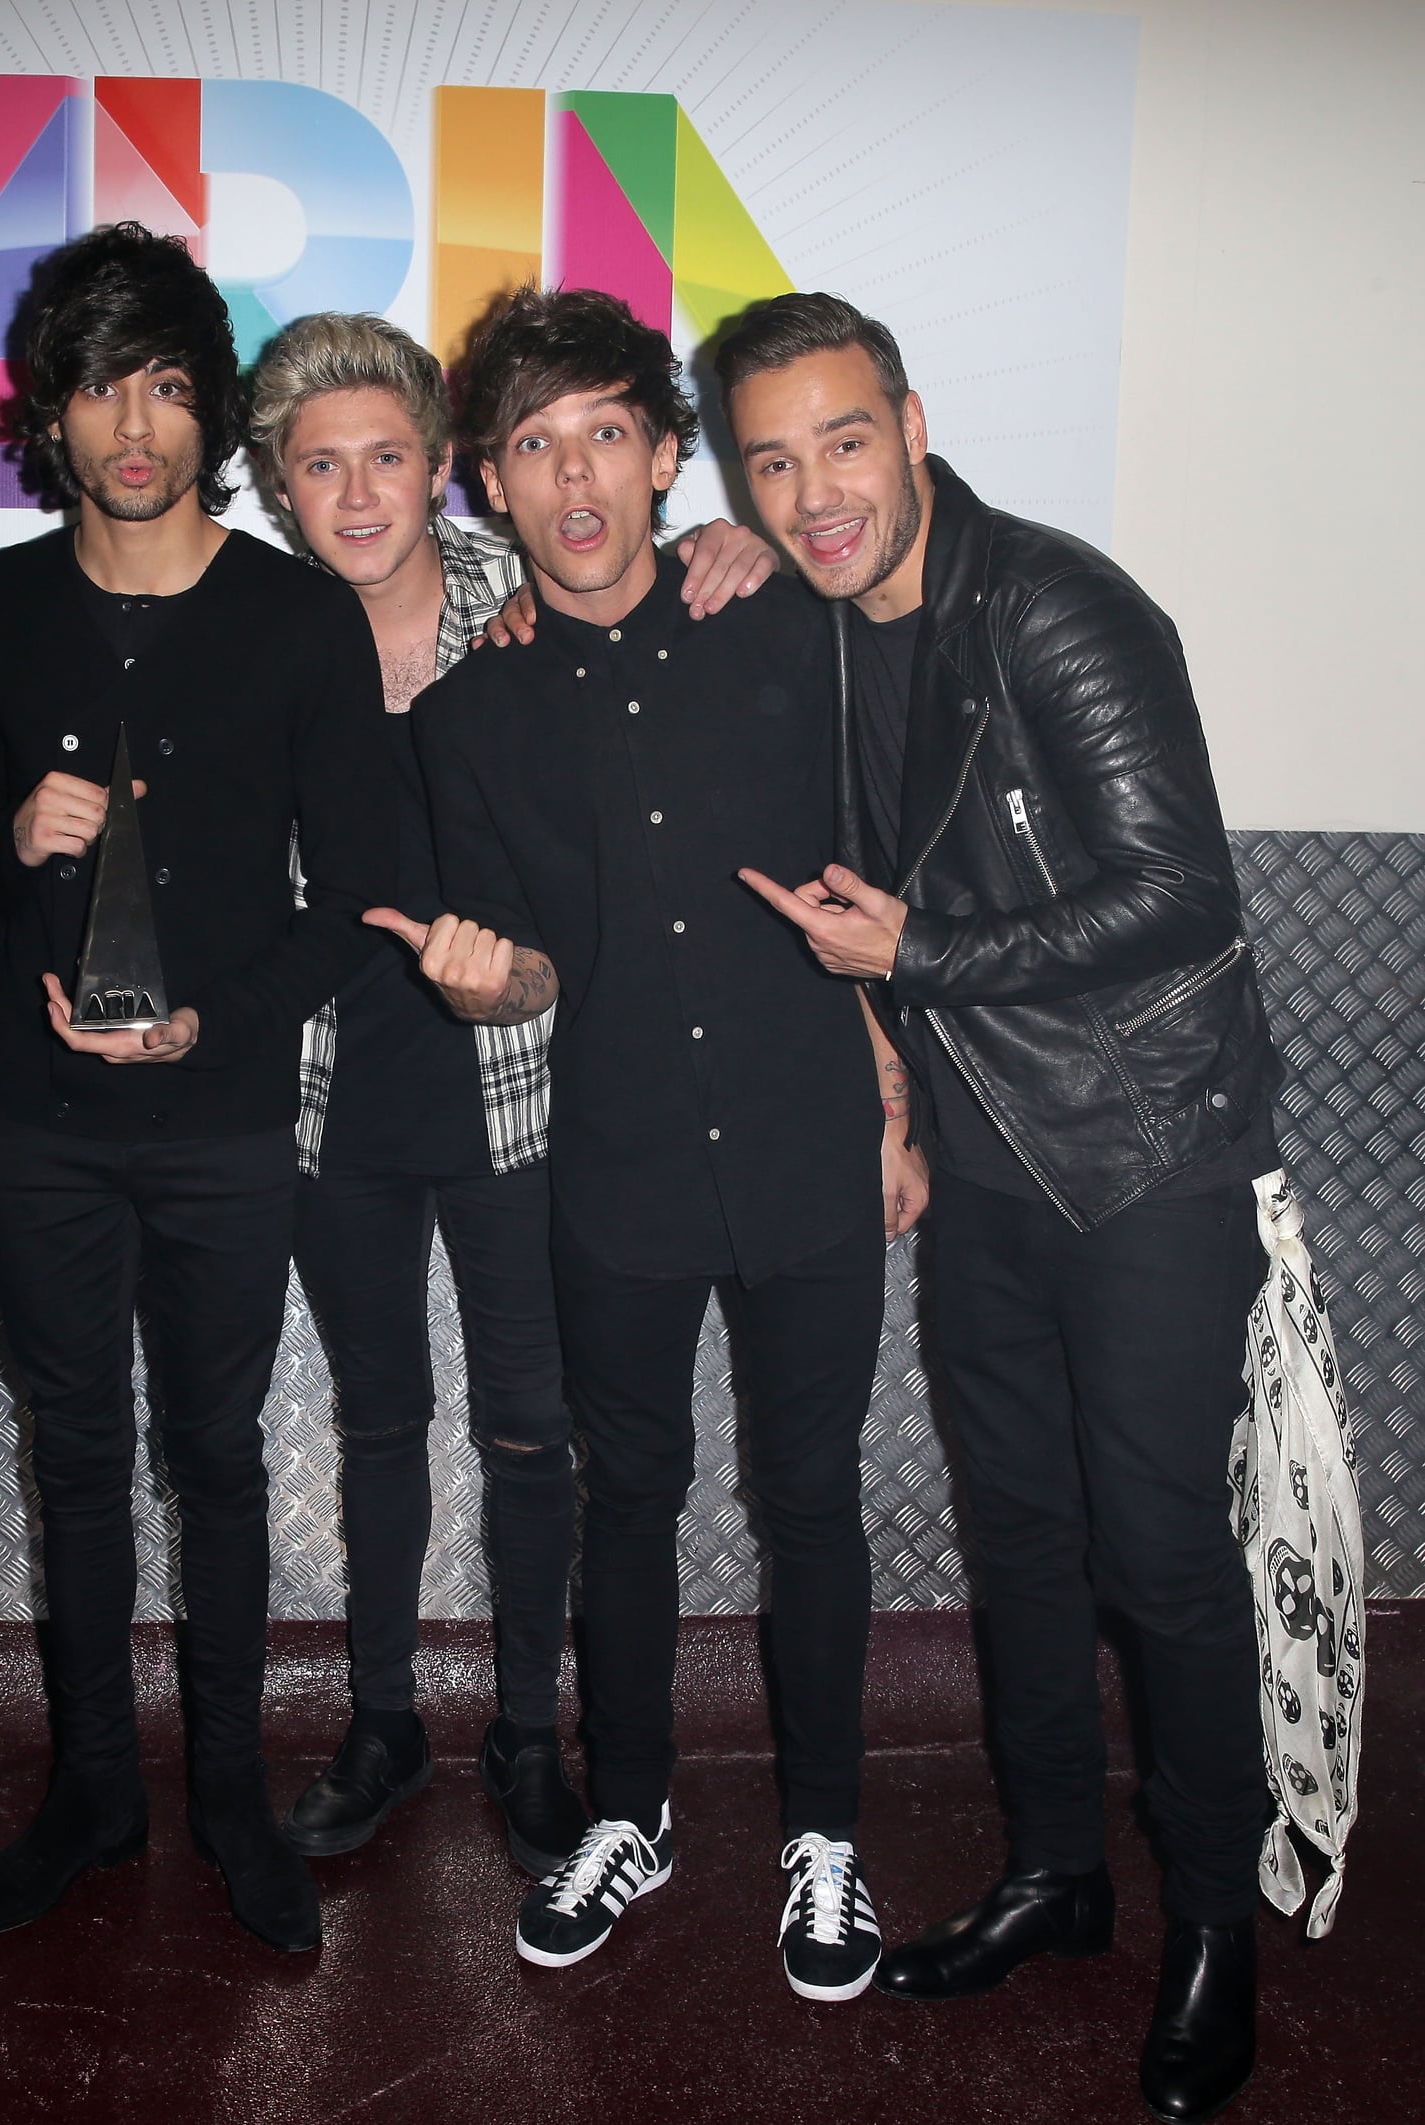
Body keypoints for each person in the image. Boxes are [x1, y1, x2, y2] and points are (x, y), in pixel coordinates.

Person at [723, 292, 1277, 2122]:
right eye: (773, 461)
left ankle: (1214, 1928)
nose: (815, 492)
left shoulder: (1056, 604)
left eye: (843, 443)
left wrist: (929, 957)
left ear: (915, 423)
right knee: (1023, 1538)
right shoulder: (821, 619)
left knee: (1162, 1560)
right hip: (982, 1155)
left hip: (1137, 1154)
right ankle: (1060, 1867)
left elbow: (1185, 894)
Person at [386, 287, 924, 1990]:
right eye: (532, 447)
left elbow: (878, 882)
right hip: (610, 1165)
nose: (574, 479)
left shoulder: (783, 626)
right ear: (490, 481)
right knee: (632, 1498)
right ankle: (634, 1808)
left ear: (668, 453)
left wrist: (898, 1102)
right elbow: (531, 961)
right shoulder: (471, 717)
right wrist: (486, 987)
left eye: (606, 431)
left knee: (811, 1494)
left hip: (806, 1142)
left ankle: (826, 1838)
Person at [245, 314, 779, 1879]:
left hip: (522, 1083)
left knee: (537, 1429)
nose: (357, 494)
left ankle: (533, 1737)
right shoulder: (262, 632)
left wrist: (735, 545)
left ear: (443, 472)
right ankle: (386, 1718)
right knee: (379, 1420)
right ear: (279, 486)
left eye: (387, 457)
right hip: (328, 1091)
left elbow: (654, 589)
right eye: (319, 464)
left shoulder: (522, 597)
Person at [0, 225, 395, 1956]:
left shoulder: (295, 617)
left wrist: (218, 1028)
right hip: (38, 1125)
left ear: (212, 413)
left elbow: (356, 894)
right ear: (47, 411)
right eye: (98, 383)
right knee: (73, 1468)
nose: (134, 423)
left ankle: (228, 1804)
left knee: (215, 1459)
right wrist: (6, 835)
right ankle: (92, 1796)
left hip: (217, 1127)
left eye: (170, 384)